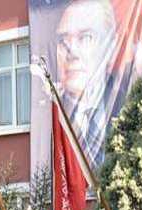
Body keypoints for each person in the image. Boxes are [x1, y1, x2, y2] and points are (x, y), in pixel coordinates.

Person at [53, 0, 119, 167]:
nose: (72, 52)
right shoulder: (52, 115)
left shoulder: (127, 102)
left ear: (110, 45)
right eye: (63, 41)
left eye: (86, 37)